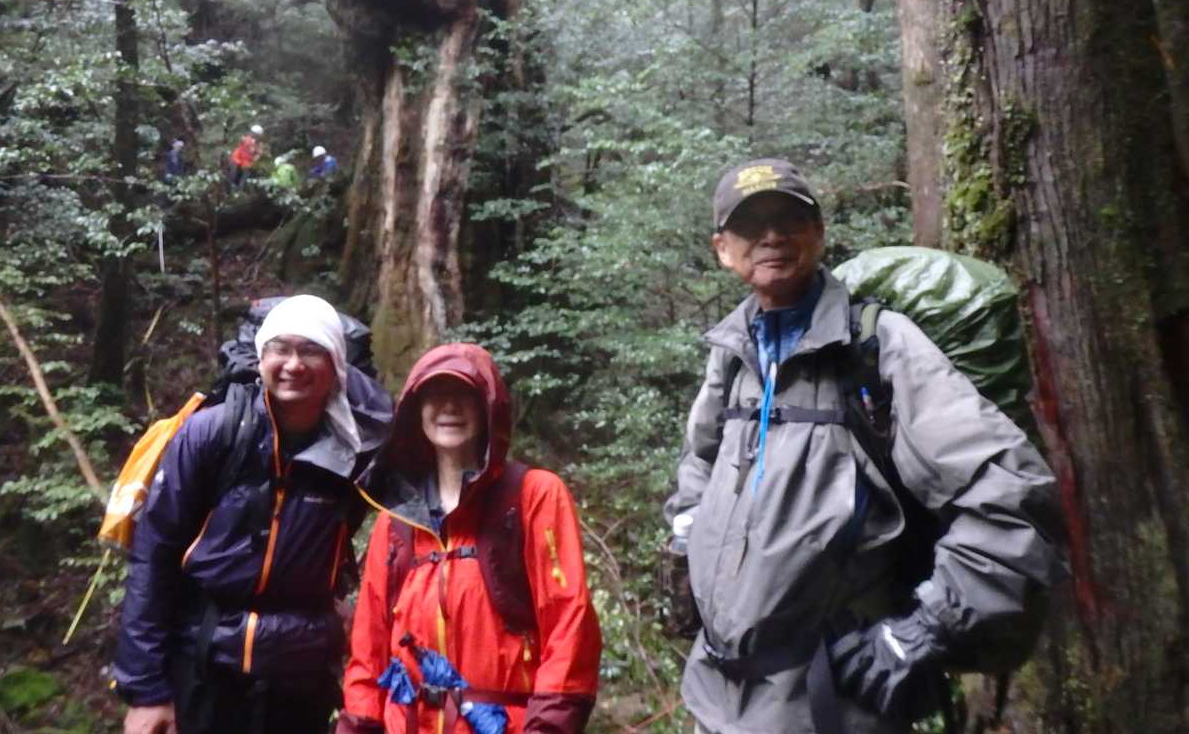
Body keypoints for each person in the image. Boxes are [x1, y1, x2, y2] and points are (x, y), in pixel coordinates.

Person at [665, 158, 1064, 734]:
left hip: (830, 702)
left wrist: (923, 630)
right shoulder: (731, 355)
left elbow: (1010, 492)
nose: (772, 236)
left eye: (789, 219)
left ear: (818, 234)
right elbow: (700, 467)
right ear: (723, 249)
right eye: (752, 225)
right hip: (715, 695)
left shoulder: (878, 347)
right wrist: (688, 547)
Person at [111, 295, 393, 734]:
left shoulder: (358, 448)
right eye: (281, 349)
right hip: (206, 668)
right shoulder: (213, 431)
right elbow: (154, 556)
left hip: (302, 678)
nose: (294, 364)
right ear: (262, 358)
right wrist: (145, 691)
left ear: (336, 365)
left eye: (312, 350)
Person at [336, 342, 602, 734]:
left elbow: (569, 623)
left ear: (488, 409)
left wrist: (549, 726)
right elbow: (369, 648)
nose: (449, 407)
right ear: (416, 411)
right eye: (436, 395)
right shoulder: (396, 522)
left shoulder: (533, 497)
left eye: (464, 394)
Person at [227, 124, 264, 189]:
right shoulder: (246, 139)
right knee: (234, 171)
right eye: (253, 133)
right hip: (237, 158)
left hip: (245, 161)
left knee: (245, 172)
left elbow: (257, 155)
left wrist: (255, 158)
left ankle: (239, 187)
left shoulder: (258, 145)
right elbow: (243, 144)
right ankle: (232, 185)